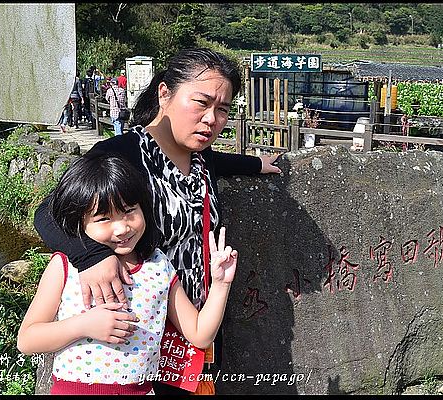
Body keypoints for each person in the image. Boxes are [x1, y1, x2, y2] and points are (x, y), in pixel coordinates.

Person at [33, 47, 282, 394]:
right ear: (165, 93)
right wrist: (92, 257)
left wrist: (256, 164)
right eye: (201, 102)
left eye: (222, 109)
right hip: (136, 343)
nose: (211, 119)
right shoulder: (121, 154)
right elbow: (47, 213)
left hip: (197, 334)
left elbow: (220, 161)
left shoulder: (200, 160)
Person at [18, 153, 238, 395]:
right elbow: (27, 339)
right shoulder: (65, 266)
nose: (122, 227)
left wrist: (220, 284)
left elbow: (199, 334)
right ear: (79, 222)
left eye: (129, 211)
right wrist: (83, 325)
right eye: (103, 219)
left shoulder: (158, 266)